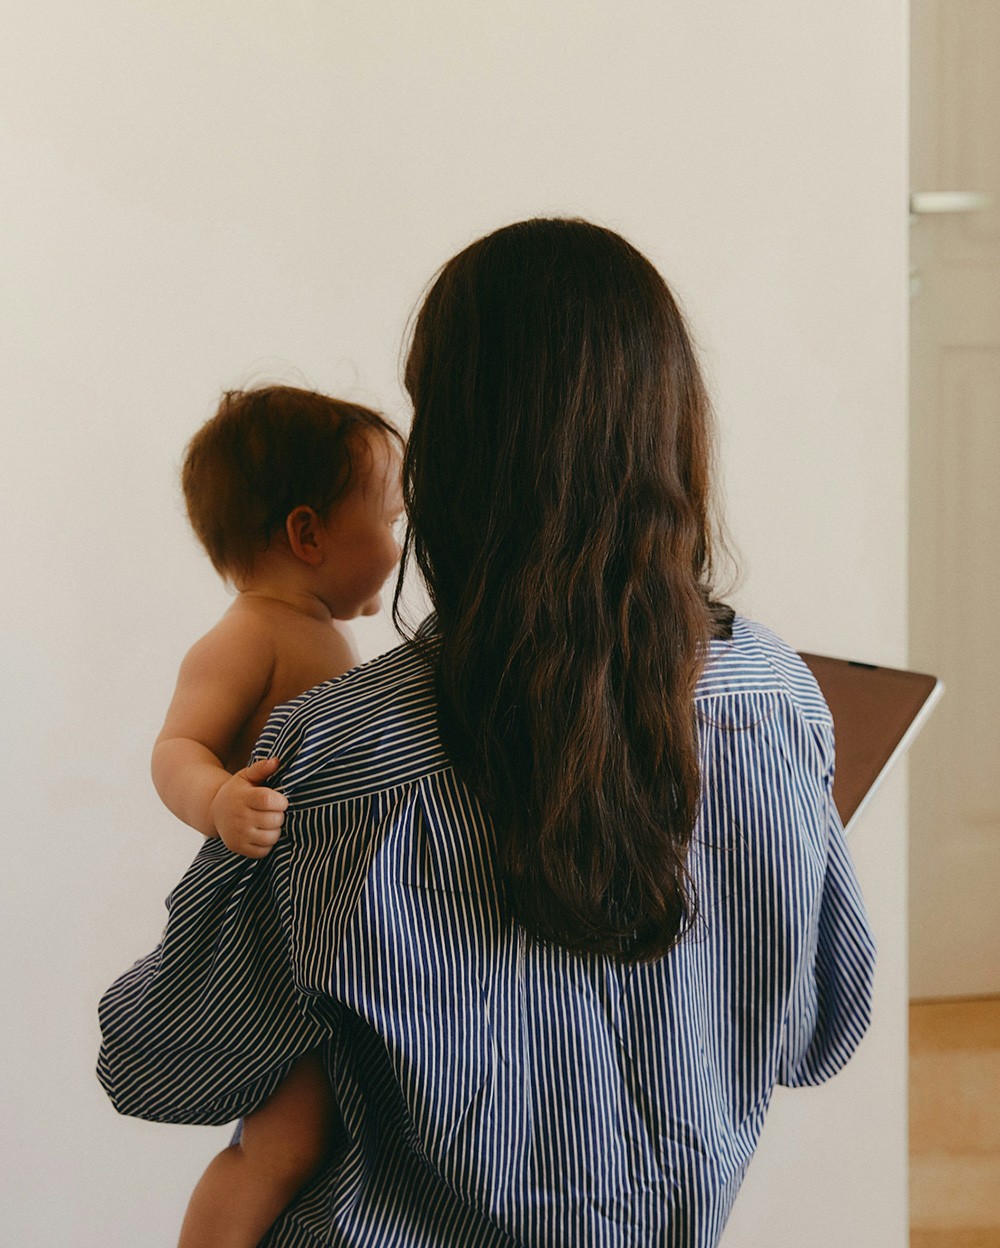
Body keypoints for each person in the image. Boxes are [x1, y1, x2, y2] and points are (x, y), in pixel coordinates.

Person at [99, 219, 876, 1248]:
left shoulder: (343, 752)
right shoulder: (778, 701)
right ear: (671, 429)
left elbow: (161, 1060)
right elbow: (814, 1033)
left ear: (455, 456)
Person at [150, 384, 404, 1247]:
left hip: (334, 929)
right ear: (308, 535)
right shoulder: (248, 635)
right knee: (284, 1140)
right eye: (392, 520)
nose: (402, 544)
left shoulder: (320, 634)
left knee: (340, 1120)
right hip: (277, 934)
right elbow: (177, 749)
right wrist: (218, 799)